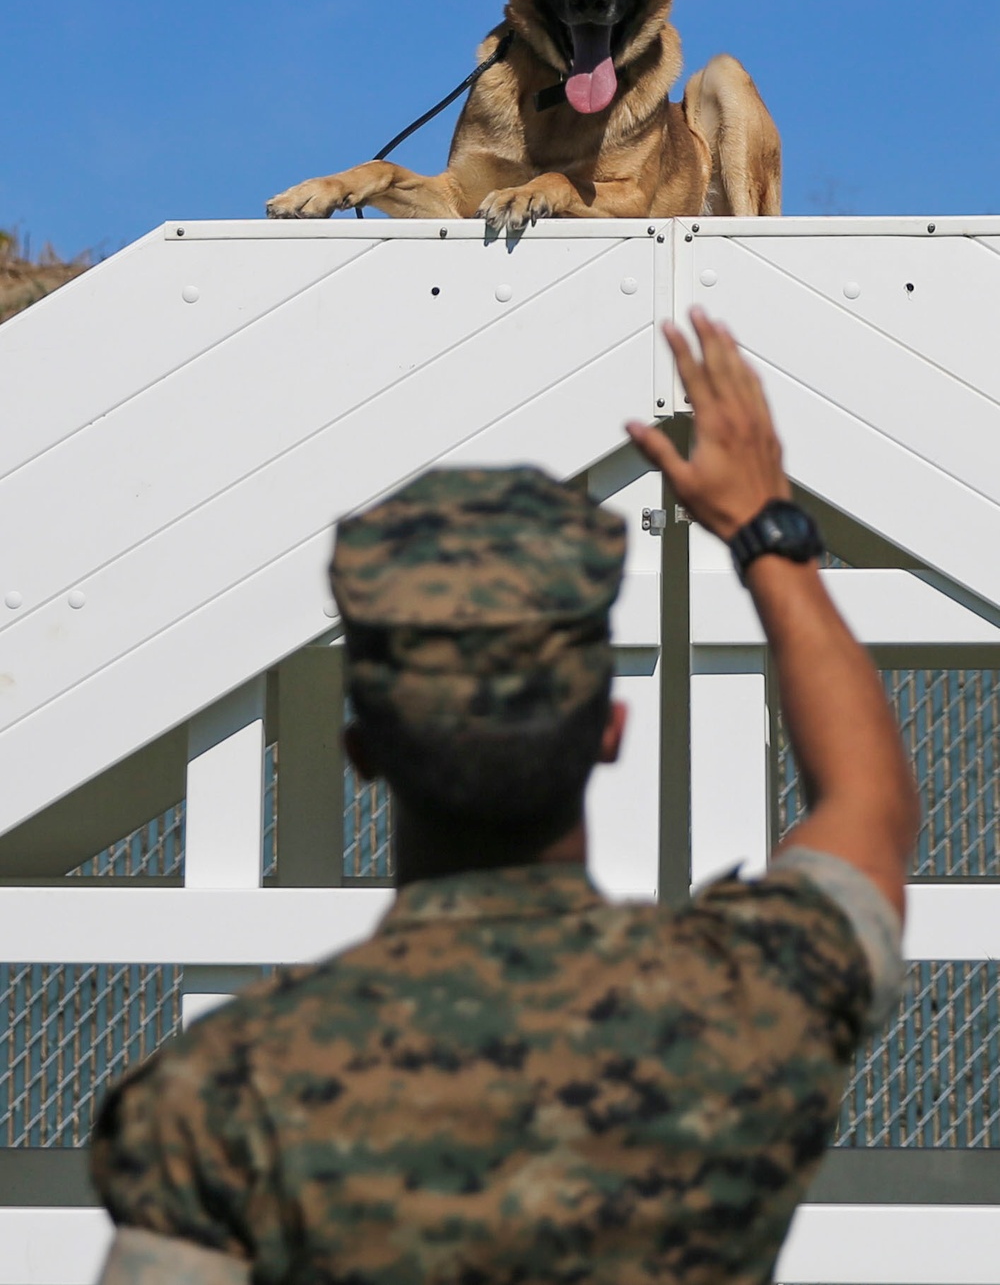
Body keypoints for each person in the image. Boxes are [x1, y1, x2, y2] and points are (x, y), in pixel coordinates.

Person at [89, 309, 919, 1285]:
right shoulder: (750, 1000)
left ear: (362, 753)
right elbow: (868, 808)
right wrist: (766, 534)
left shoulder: (224, 1096)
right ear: (610, 733)